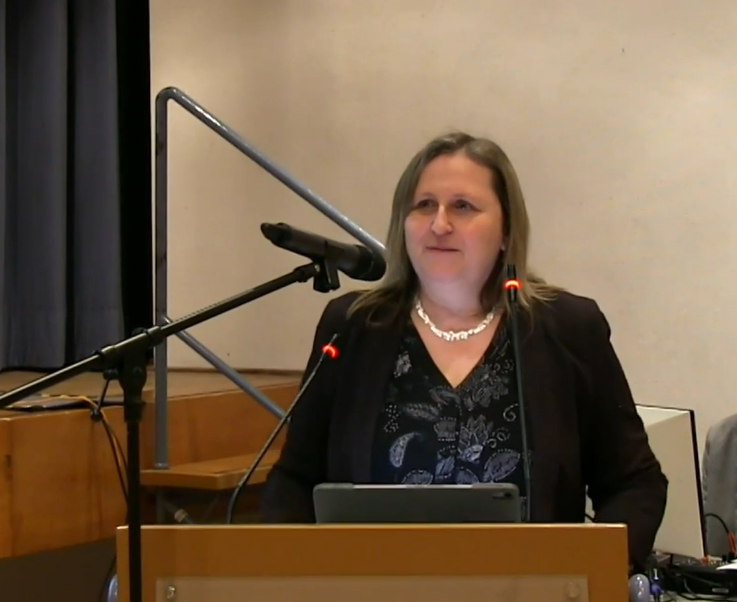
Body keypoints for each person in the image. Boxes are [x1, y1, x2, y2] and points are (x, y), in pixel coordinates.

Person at [261, 131, 667, 573]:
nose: (439, 224)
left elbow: (634, 483)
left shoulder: (568, 329)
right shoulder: (352, 327)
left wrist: (589, 574)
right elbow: (294, 480)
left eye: (462, 206)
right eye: (424, 205)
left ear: (506, 231)